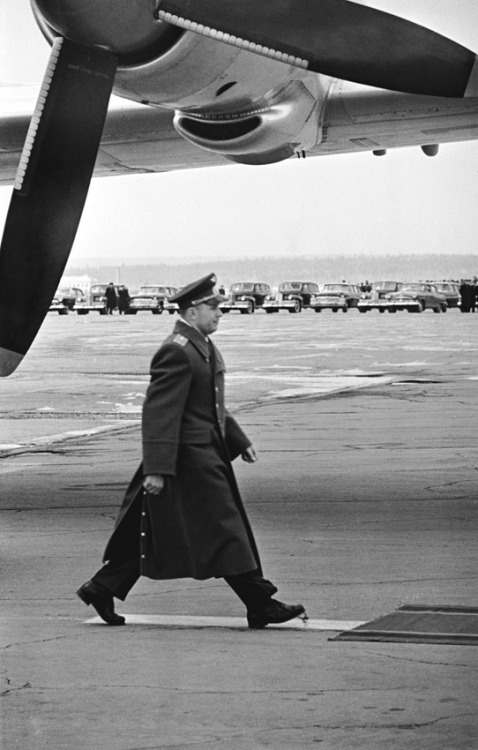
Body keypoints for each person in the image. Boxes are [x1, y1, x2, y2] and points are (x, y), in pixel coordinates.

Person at [77, 273, 306, 628]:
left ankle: (101, 587)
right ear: (193, 310)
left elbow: (209, 406)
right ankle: (260, 603)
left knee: (159, 530)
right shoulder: (177, 350)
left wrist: (240, 440)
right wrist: (156, 467)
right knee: (226, 530)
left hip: (204, 455)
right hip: (188, 460)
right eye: (213, 307)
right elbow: (159, 413)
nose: (219, 313)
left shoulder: (201, 345)